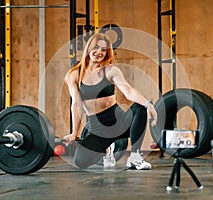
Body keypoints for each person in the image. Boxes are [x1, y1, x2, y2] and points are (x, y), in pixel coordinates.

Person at [64, 33, 158, 170]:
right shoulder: (74, 75)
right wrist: (74, 133)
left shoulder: (110, 71)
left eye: (103, 50)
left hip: (120, 123)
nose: (99, 52)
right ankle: (108, 148)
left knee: (140, 107)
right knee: (81, 161)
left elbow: (128, 91)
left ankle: (134, 156)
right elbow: (77, 105)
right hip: (98, 129)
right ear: (88, 48)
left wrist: (147, 103)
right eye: (96, 47)